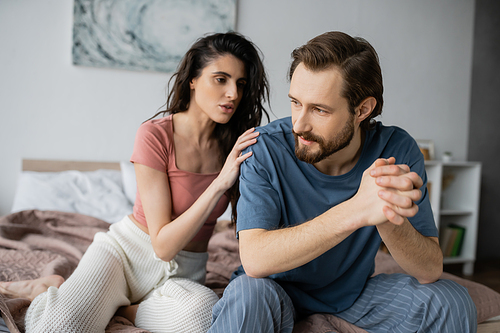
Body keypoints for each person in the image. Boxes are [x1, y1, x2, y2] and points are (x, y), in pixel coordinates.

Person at [0, 32, 270, 333]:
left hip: (185, 274)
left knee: (203, 316)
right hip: (125, 255)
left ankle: (124, 310)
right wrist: (220, 183)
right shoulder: (155, 135)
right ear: (193, 79)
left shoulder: (239, 148)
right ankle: (47, 290)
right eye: (221, 79)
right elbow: (163, 246)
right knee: (58, 327)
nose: (233, 93)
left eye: (240, 84)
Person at [208, 31, 477, 333]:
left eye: (319, 110)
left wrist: (386, 214)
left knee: (452, 300)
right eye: (296, 103)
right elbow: (256, 259)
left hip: (353, 296)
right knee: (247, 296)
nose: (299, 124)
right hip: (272, 290)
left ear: (363, 109)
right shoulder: (264, 148)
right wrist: (356, 210)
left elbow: (429, 270)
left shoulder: (396, 150)